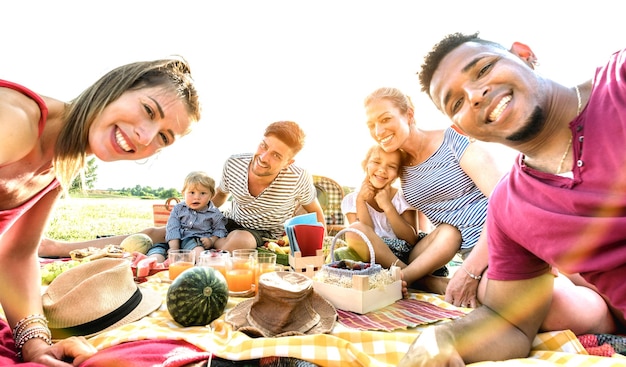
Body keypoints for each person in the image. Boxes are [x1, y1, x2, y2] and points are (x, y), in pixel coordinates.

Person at [398, 32, 624, 366]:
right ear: (460, 129)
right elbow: (509, 321)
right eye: (457, 103)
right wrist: (440, 338)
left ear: (524, 54)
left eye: (483, 69)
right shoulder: (511, 206)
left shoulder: (618, 82)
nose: (475, 95)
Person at [0, 59, 200, 366]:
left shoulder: (63, 162)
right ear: (115, 87)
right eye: (148, 110)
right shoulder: (15, 121)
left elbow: (15, 256)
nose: (145, 137)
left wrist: (35, 347)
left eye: (163, 138)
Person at [364, 86, 502, 302]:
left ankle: (403, 281)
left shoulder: (453, 140)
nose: (378, 131)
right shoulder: (399, 165)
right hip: (456, 246)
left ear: (409, 115)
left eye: (385, 119)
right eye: (371, 125)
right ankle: (412, 279)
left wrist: (470, 271)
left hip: (494, 242)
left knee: (495, 297)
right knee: (448, 232)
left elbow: (504, 202)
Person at [341, 144, 459, 293]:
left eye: (391, 166)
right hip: (377, 261)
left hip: (409, 257)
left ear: (398, 173)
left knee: (450, 231)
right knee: (355, 230)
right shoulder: (351, 200)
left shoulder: (402, 197)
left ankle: (406, 276)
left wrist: (388, 207)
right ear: (366, 164)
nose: (382, 169)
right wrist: (361, 201)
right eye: (376, 162)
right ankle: (421, 281)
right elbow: (366, 235)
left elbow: (411, 239)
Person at [212, 120, 326, 252]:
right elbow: (220, 194)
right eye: (263, 146)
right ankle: (213, 247)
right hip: (230, 221)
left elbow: (315, 212)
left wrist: (320, 250)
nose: (263, 158)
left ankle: (214, 255)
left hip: (265, 234)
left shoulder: (297, 177)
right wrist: (194, 213)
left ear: (288, 163)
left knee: (239, 241)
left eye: (276, 155)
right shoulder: (234, 164)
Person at [145, 171, 227, 263]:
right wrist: (174, 249)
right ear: (183, 193)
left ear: (211, 195)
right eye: (191, 192)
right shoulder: (178, 209)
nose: (196, 197)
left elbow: (220, 230)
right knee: (157, 251)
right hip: (173, 243)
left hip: (196, 242)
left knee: (198, 250)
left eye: (203, 193)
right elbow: (173, 228)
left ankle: (201, 267)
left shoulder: (214, 213)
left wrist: (212, 240)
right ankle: (150, 265)